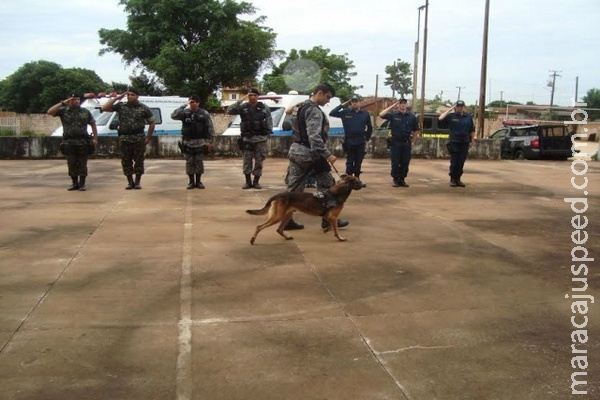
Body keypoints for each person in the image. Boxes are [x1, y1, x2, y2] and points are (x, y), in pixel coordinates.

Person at [285, 82, 349, 231]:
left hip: (296, 150)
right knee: (328, 185)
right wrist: (328, 155)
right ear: (319, 93)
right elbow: (314, 137)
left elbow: (291, 118)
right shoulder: (314, 111)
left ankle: (286, 220)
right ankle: (328, 220)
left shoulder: (299, 108)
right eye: (327, 97)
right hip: (311, 154)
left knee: (294, 188)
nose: (328, 101)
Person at [102, 88, 155, 190]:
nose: (130, 96)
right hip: (124, 138)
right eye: (128, 95)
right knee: (126, 161)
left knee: (139, 161)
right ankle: (130, 182)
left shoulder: (144, 108)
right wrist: (118, 97)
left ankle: (137, 181)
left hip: (138, 138)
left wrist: (148, 137)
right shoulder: (121, 106)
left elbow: (152, 122)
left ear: (137, 96)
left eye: (132, 95)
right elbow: (105, 108)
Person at [47, 93, 98, 191]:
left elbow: (93, 124)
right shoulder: (64, 111)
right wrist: (63, 103)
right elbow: (50, 112)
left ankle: (82, 184)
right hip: (69, 142)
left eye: (78, 99)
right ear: (69, 100)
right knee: (72, 163)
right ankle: (74, 183)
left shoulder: (85, 111)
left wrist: (95, 138)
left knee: (83, 163)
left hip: (83, 141)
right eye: (74, 99)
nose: (77, 101)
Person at [226, 88, 273, 189]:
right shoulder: (243, 107)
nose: (252, 97)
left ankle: (256, 181)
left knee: (259, 161)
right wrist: (241, 99)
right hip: (247, 139)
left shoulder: (264, 107)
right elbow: (229, 110)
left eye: (255, 95)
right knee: (247, 161)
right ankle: (248, 181)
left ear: (258, 96)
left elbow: (269, 120)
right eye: (250, 95)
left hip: (260, 139)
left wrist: (268, 134)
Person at [171, 95, 215, 189]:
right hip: (188, 142)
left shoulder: (204, 113)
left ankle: (198, 181)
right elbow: (173, 116)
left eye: (195, 102)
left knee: (199, 162)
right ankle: (191, 182)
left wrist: (210, 141)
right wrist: (183, 106)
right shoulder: (184, 113)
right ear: (189, 103)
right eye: (191, 102)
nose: (193, 103)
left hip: (200, 142)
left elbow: (210, 128)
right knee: (189, 162)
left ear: (198, 103)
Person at [329, 94, 372, 186]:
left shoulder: (365, 114)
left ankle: (357, 180)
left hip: (361, 141)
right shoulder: (345, 112)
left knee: (358, 161)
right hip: (349, 141)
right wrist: (343, 104)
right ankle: (348, 180)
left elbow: (369, 127)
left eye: (356, 101)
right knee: (350, 161)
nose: (354, 103)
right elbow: (332, 113)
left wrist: (367, 138)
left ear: (360, 102)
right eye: (352, 102)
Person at [378, 98, 420, 187]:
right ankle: (395, 179)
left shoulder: (412, 117)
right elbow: (381, 114)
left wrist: (413, 141)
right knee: (395, 162)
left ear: (407, 105)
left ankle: (402, 179)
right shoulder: (393, 115)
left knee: (405, 162)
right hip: (395, 142)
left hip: (406, 142)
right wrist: (392, 106)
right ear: (398, 105)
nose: (403, 105)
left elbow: (416, 130)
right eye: (401, 103)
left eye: (404, 103)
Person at [438, 100, 476, 187]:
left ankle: (458, 179)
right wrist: (450, 109)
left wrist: (472, 141)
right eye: (458, 106)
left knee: (461, 162)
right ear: (456, 107)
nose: (460, 108)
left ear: (463, 107)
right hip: (454, 142)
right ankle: (452, 179)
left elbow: (472, 130)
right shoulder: (451, 116)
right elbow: (440, 118)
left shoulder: (468, 117)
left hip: (465, 142)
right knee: (454, 162)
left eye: (461, 106)